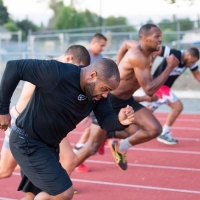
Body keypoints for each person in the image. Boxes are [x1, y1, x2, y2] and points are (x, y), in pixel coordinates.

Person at [0, 56, 135, 199]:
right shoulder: (58, 73)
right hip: (27, 142)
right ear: (92, 75)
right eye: (105, 89)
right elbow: (14, 67)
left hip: (49, 147)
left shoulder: (98, 94)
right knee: (64, 193)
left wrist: (120, 121)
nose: (106, 95)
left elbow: (106, 120)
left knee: (34, 196)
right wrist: (2, 110)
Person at [74, 24, 179, 171]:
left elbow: (124, 44)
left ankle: (119, 146)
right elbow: (149, 89)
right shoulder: (138, 56)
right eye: (157, 36)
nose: (160, 40)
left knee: (153, 129)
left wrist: (117, 67)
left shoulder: (140, 47)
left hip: (126, 99)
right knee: (92, 147)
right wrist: (169, 67)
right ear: (144, 38)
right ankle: (56, 181)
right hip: (108, 100)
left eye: (160, 36)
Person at [0, 45, 90, 181]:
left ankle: (55, 192)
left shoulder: (65, 76)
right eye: (76, 68)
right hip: (20, 125)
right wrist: (2, 109)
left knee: (69, 160)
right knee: (5, 171)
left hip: (44, 128)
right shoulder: (48, 69)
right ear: (68, 58)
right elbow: (13, 68)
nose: (77, 74)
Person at [140, 45, 200, 145]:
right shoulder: (174, 53)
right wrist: (148, 69)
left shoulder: (189, 63)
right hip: (158, 86)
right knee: (178, 106)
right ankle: (164, 133)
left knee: (147, 112)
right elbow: (153, 50)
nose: (191, 64)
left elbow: (197, 75)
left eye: (193, 62)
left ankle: (121, 129)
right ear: (187, 54)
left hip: (163, 89)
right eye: (192, 61)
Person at [74, 33, 107, 173]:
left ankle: (99, 141)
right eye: (101, 45)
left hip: (94, 95)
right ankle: (76, 158)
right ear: (93, 43)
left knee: (96, 125)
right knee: (91, 127)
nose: (102, 48)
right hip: (84, 95)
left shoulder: (99, 58)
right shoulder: (83, 56)